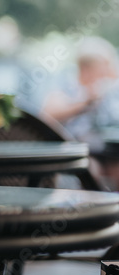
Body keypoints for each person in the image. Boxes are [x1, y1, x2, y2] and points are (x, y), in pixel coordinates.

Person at [42, 36, 119, 185]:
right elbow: (48, 114)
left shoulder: (105, 88)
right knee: (91, 169)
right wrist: (86, 102)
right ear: (86, 67)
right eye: (103, 65)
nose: (106, 70)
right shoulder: (67, 84)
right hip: (75, 150)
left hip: (105, 150)